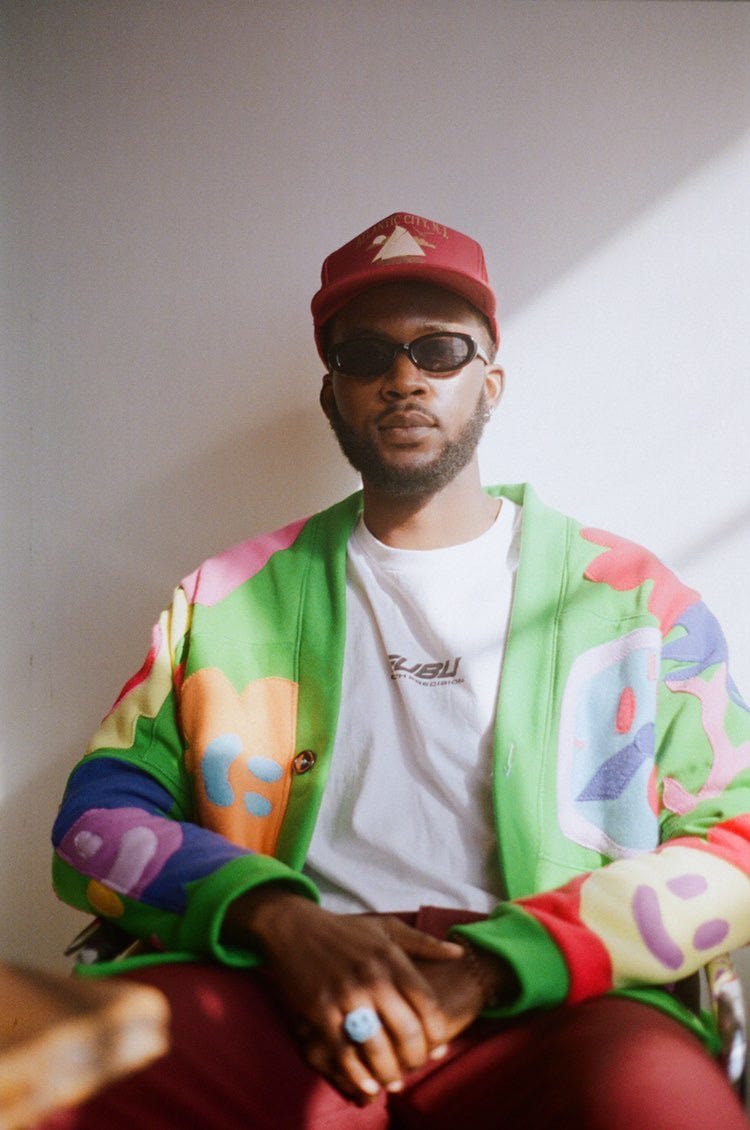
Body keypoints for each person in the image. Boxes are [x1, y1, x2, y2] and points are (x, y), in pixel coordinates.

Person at [47, 212, 750, 1129]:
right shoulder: (226, 600)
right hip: (279, 980)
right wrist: (277, 919)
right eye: (366, 354)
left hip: (554, 998)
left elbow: (737, 835)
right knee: (54, 1071)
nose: (404, 378)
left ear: (490, 383)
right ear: (332, 395)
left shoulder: (631, 601)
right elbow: (96, 820)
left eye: (440, 350)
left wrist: (505, 962)